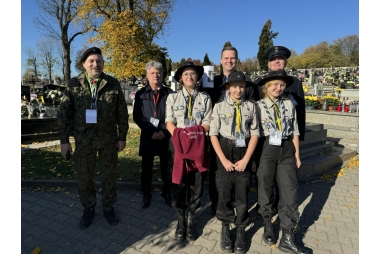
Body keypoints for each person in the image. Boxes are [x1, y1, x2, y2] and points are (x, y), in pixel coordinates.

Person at [58, 47, 129, 229]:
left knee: (109, 176)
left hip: (108, 140)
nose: (95, 64)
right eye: (91, 61)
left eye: (99, 61)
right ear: (84, 64)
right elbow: (64, 114)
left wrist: (122, 137)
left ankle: (108, 207)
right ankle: (89, 208)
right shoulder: (73, 84)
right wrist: (64, 141)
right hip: (83, 140)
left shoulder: (113, 84)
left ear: (103, 64)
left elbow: (122, 113)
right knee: (84, 177)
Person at [201, 46, 260, 216]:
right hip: (217, 135)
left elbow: (251, 109)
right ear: (220, 60)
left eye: (232, 58)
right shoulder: (212, 81)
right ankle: (217, 204)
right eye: (226, 58)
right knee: (217, 173)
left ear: (237, 60)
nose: (229, 61)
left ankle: (238, 206)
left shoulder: (246, 83)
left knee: (240, 177)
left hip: (240, 136)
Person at [256, 70, 309, 254]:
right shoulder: (258, 106)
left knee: (290, 191)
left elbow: (294, 130)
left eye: (281, 85)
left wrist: (297, 155)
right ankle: (268, 223)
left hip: (286, 149)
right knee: (265, 188)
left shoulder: (289, 104)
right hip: (266, 148)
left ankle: (287, 236)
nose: (278, 88)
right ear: (266, 87)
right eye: (274, 85)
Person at [209, 71, 259, 254]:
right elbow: (213, 134)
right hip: (224, 148)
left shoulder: (251, 108)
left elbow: (255, 134)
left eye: (242, 86)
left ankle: (240, 229)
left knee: (242, 192)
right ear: (228, 88)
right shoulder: (219, 107)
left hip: (243, 150)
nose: (238, 90)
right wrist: (223, 159)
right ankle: (225, 227)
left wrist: (247, 159)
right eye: (234, 86)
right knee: (224, 191)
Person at [253, 46, 306, 216]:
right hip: (266, 142)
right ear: (268, 63)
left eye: (280, 59)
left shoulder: (295, 82)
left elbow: (300, 113)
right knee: (265, 181)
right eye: (273, 59)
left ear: (285, 61)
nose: (277, 61)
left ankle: (279, 208)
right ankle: (265, 210)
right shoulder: (258, 82)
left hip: (286, 140)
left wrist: (299, 141)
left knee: (286, 183)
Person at [165, 61, 212, 241]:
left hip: (198, 144)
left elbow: (207, 123)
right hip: (178, 145)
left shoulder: (205, 98)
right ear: (180, 78)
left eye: (192, 74)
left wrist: (194, 134)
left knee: (196, 182)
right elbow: (169, 122)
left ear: (197, 77)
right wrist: (180, 137)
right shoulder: (173, 98)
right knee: (179, 181)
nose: (189, 77)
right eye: (186, 74)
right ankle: (180, 220)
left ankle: (191, 217)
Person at [133, 61, 173, 209]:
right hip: (148, 136)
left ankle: (167, 192)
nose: (155, 75)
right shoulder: (140, 94)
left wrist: (163, 130)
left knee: (166, 167)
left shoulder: (170, 94)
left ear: (162, 75)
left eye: (158, 73)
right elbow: (137, 116)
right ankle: (146, 194)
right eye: (152, 73)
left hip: (165, 136)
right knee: (147, 168)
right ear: (147, 75)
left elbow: (172, 115)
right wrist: (151, 131)